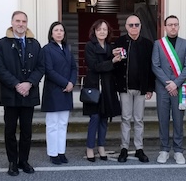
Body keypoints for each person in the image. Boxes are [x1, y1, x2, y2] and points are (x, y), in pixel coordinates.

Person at [0, 11, 44, 176]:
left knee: (26, 131)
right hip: (11, 93)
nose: (21, 24)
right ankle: (12, 162)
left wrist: (29, 83)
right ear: (12, 22)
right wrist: (16, 84)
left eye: (23, 21)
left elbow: (40, 67)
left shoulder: (34, 44)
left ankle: (24, 160)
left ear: (27, 23)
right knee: (9, 130)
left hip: (28, 93)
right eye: (18, 21)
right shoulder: (2, 44)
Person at [151, 15, 186, 164]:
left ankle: (178, 150)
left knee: (178, 120)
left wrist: (175, 83)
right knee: (163, 119)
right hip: (163, 88)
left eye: (175, 24)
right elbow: (155, 66)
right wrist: (167, 83)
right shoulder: (158, 44)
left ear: (179, 26)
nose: (173, 27)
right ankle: (163, 149)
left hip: (179, 88)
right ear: (165, 27)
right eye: (170, 25)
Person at [113, 14, 155, 163]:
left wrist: (150, 87)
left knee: (139, 119)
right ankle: (124, 148)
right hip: (125, 87)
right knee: (125, 118)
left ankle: (139, 148)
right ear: (126, 27)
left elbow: (152, 68)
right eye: (131, 25)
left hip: (141, 87)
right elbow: (115, 65)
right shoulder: (119, 42)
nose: (134, 28)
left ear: (140, 26)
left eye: (136, 25)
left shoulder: (148, 44)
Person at [83, 20, 123, 161]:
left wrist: (115, 56)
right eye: (99, 29)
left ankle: (101, 147)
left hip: (107, 87)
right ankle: (89, 148)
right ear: (94, 31)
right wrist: (111, 61)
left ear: (108, 32)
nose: (102, 32)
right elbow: (94, 66)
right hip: (94, 87)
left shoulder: (109, 46)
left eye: (105, 29)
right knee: (94, 118)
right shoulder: (89, 46)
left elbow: (111, 66)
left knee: (104, 118)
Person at [41, 21, 78, 165]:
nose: (59, 33)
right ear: (51, 33)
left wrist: (72, 83)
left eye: (61, 30)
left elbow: (74, 68)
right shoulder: (47, 49)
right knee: (52, 125)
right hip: (53, 91)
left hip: (66, 91)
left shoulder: (67, 49)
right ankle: (53, 153)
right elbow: (49, 71)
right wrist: (65, 83)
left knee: (63, 124)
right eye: (56, 30)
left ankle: (61, 151)